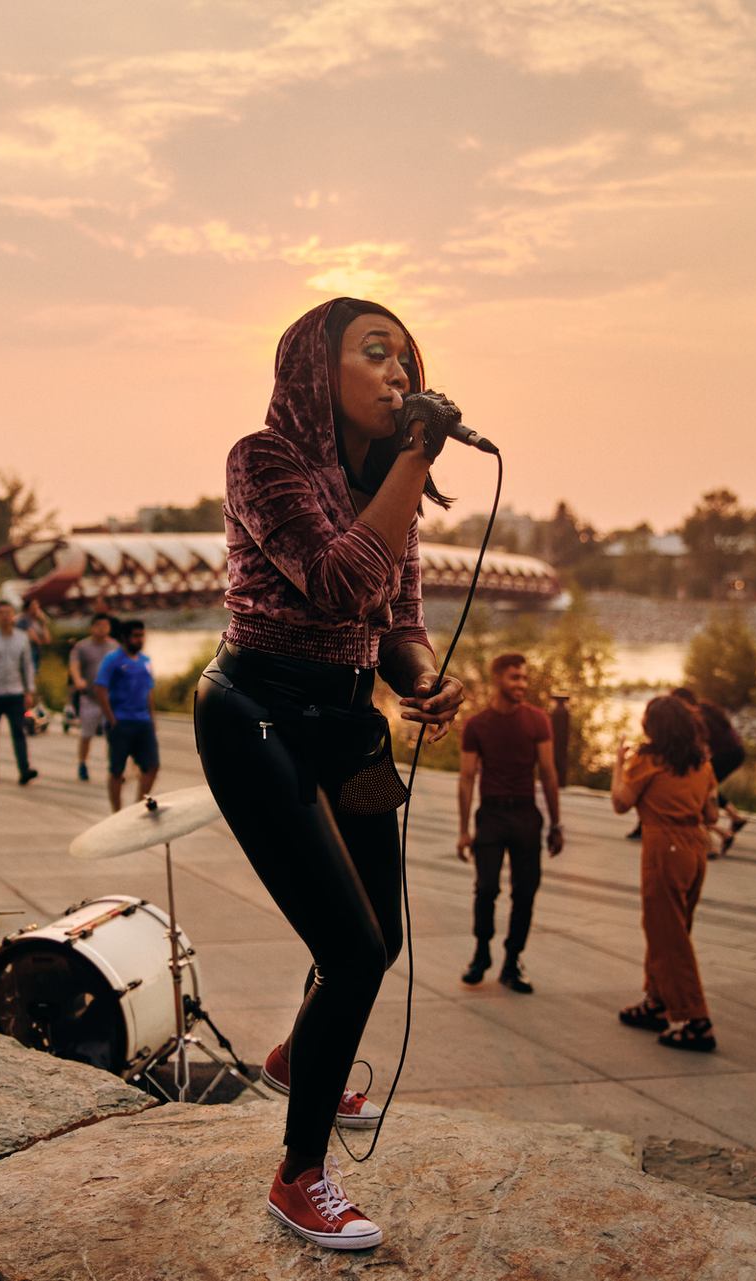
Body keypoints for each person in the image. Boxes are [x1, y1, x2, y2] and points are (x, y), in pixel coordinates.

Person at [193, 298, 464, 1251]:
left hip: (352, 729)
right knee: (349, 948)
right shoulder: (261, 460)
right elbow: (343, 578)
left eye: (408, 359)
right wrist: (415, 465)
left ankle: (300, 1051)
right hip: (256, 717)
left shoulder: (391, 483)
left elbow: (396, 620)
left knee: (381, 931)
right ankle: (300, 1174)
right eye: (376, 353)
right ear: (320, 369)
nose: (399, 373)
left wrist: (424, 680)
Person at [611, 696, 720, 1052]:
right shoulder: (700, 762)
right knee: (672, 927)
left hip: (664, 850)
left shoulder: (649, 760)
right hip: (695, 850)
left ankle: (695, 1019)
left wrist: (618, 765)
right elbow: (712, 816)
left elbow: (621, 802)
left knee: (668, 935)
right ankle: (656, 1001)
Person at [456, 653, 562, 993]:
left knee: (525, 891)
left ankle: (513, 959)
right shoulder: (476, 725)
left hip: (526, 815)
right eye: (515, 678)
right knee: (485, 888)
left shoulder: (537, 720)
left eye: (524, 678)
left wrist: (556, 824)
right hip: (491, 815)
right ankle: (481, 952)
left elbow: (548, 773)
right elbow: (467, 777)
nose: (522, 685)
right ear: (498, 679)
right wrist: (463, 831)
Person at [671, 688, 749, 854]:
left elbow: (700, 745)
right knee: (707, 789)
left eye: (676, 703)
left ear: (683, 700)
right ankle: (731, 823)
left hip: (725, 754)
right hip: (737, 751)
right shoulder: (706, 707)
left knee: (701, 792)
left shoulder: (696, 716)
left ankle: (711, 844)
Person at [93, 619, 159, 811]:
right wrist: (111, 718)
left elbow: (148, 692)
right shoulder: (112, 660)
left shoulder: (145, 662)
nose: (140, 640)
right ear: (124, 638)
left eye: (142, 635)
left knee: (152, 767)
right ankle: (117, 812)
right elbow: (100, 688)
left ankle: (138, 807)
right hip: (121, 723)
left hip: (143, 723)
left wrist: (152, 720)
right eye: (136, 636)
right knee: (117, 771)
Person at [0, 599, 37, 786]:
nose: (5, 617)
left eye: (8, 613)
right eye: (1, 613)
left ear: (13, 615)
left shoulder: (22, 638)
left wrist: (29, 691)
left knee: (19, 732)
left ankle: (24, 769)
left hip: (15, 692)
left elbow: (27, 666)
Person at [67, 612, 118, 781]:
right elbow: (74, 665)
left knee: (113, 734)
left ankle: (115, 767)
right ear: (92, 627)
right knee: (87, 734)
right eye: (99, 626)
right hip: (90, 697)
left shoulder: (114, 647)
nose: (102, 629)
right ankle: (82, 763)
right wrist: (78, 679)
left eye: (105, 626)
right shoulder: (82, 647)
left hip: (110, 699)